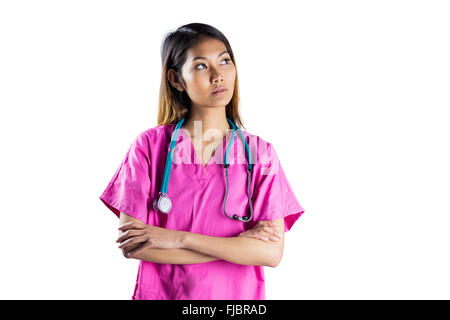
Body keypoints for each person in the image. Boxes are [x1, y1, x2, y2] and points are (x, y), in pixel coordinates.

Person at [99, 22, 305, 300]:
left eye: (224, 61)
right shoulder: (150, 147)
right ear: (175, 79)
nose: (218, 75)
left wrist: (178, 238)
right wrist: (235, 247)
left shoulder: (260, 153)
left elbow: (269, 252)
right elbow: (134, 246)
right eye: (200, 66)